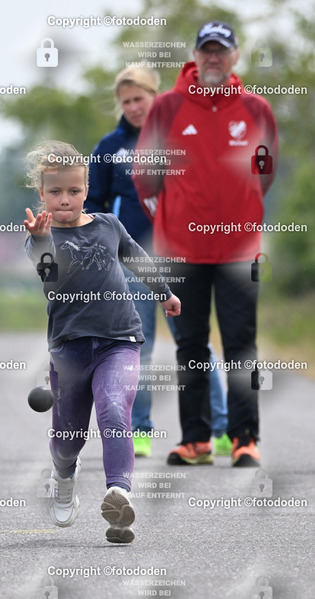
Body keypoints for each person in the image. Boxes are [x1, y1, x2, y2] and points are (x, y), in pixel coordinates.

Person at [133, 21, 278, 467]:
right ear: (195, 56)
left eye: (221, 50)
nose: (213, 57)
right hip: (182, 251)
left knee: (241, 345)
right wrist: (174, 222)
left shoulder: (255, 108)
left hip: (239, 251)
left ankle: (244, 439)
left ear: (235, 56)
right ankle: (195, 440)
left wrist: (241, 212)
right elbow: (145, 176)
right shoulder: (167, 107)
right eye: (206, 50)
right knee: (190, 345)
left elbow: (265, 172)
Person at [23, 141, 181, 543]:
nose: (65, 199)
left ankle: (119, 494)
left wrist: (164, 293)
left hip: (119, 340)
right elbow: (50, 280)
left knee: (114, 408)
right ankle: (63, 476)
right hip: (69, 349)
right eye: (55, 192)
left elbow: (137, 257)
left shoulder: (109, 225)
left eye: (73, 190)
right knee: (68, 441)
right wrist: (40, 241)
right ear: (42, 194)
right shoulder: (42, 238)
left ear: (86, 189)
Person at [85, 66, 229, 458]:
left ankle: (221, 428)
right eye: (126, 101)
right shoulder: (110, 147)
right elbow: (93, 203)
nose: (134, 107)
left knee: (195, 343)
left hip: (180, 257)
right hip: (131, 261)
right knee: (139, 346)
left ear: (155, 96)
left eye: (140, 98)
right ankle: (140, 431)